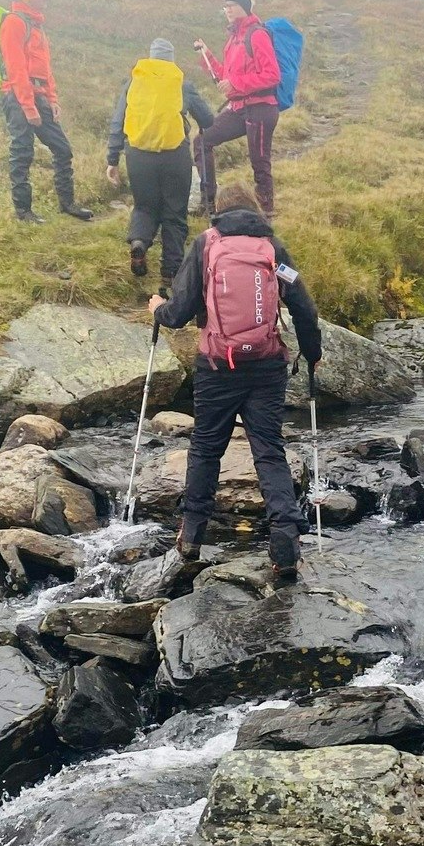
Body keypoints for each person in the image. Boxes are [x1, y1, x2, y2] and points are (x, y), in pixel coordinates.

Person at [148, 183, 321, 578]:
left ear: (219, 211)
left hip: (216, 367)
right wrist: (313, 354)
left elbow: (179, 312)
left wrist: (158, 309)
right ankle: (284, 544)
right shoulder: (273, 250)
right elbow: (303, 307)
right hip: (266, 366)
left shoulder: (206, 243)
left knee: (207, 447)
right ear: (256, 210)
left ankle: (191, 536)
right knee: (269, 450)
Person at [107, 38, 216, 293]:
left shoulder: (132, 83)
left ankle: (139, 243)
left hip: (137, 155)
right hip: (174, 155)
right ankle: (170, 273)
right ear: (171, 59)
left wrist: (112, 159)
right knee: (174, 212)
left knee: (145, 206)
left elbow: (118, 122)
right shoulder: (181, 84)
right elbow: (208, 119)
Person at [0, 0, 92, 224]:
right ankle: (23, 212)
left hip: (39, 97)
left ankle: (67, 203)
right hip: (18, 97)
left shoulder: (36, 26)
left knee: (63, 149)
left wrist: (52, 99)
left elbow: (45, 69)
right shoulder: (15, 23)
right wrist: (28, 106)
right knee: (23, 152)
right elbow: (16, 68)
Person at [193, 0, 281, 216]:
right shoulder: (233, 39)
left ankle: (266, 213)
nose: (227, 10)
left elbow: (272, 75)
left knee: (259, 163)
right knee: (203, 141)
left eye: (231, 5)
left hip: (261, 108)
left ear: (243, 6)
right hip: (239, 107)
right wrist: (206, 55)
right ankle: (210, 203)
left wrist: (236, 84)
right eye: (225, 6)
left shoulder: (257, 34)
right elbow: (226, 76)